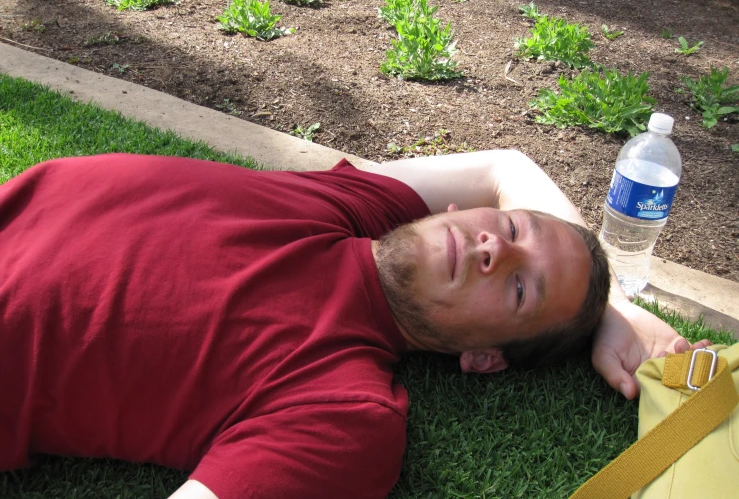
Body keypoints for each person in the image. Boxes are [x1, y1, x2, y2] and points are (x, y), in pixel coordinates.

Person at [0, 150, 708, 499]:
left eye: (521, 286)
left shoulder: (342, 411)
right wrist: (616, 308)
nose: (496, 247)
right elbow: (504, 165)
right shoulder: (337, 207)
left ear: (484, 358)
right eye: (510, 229)